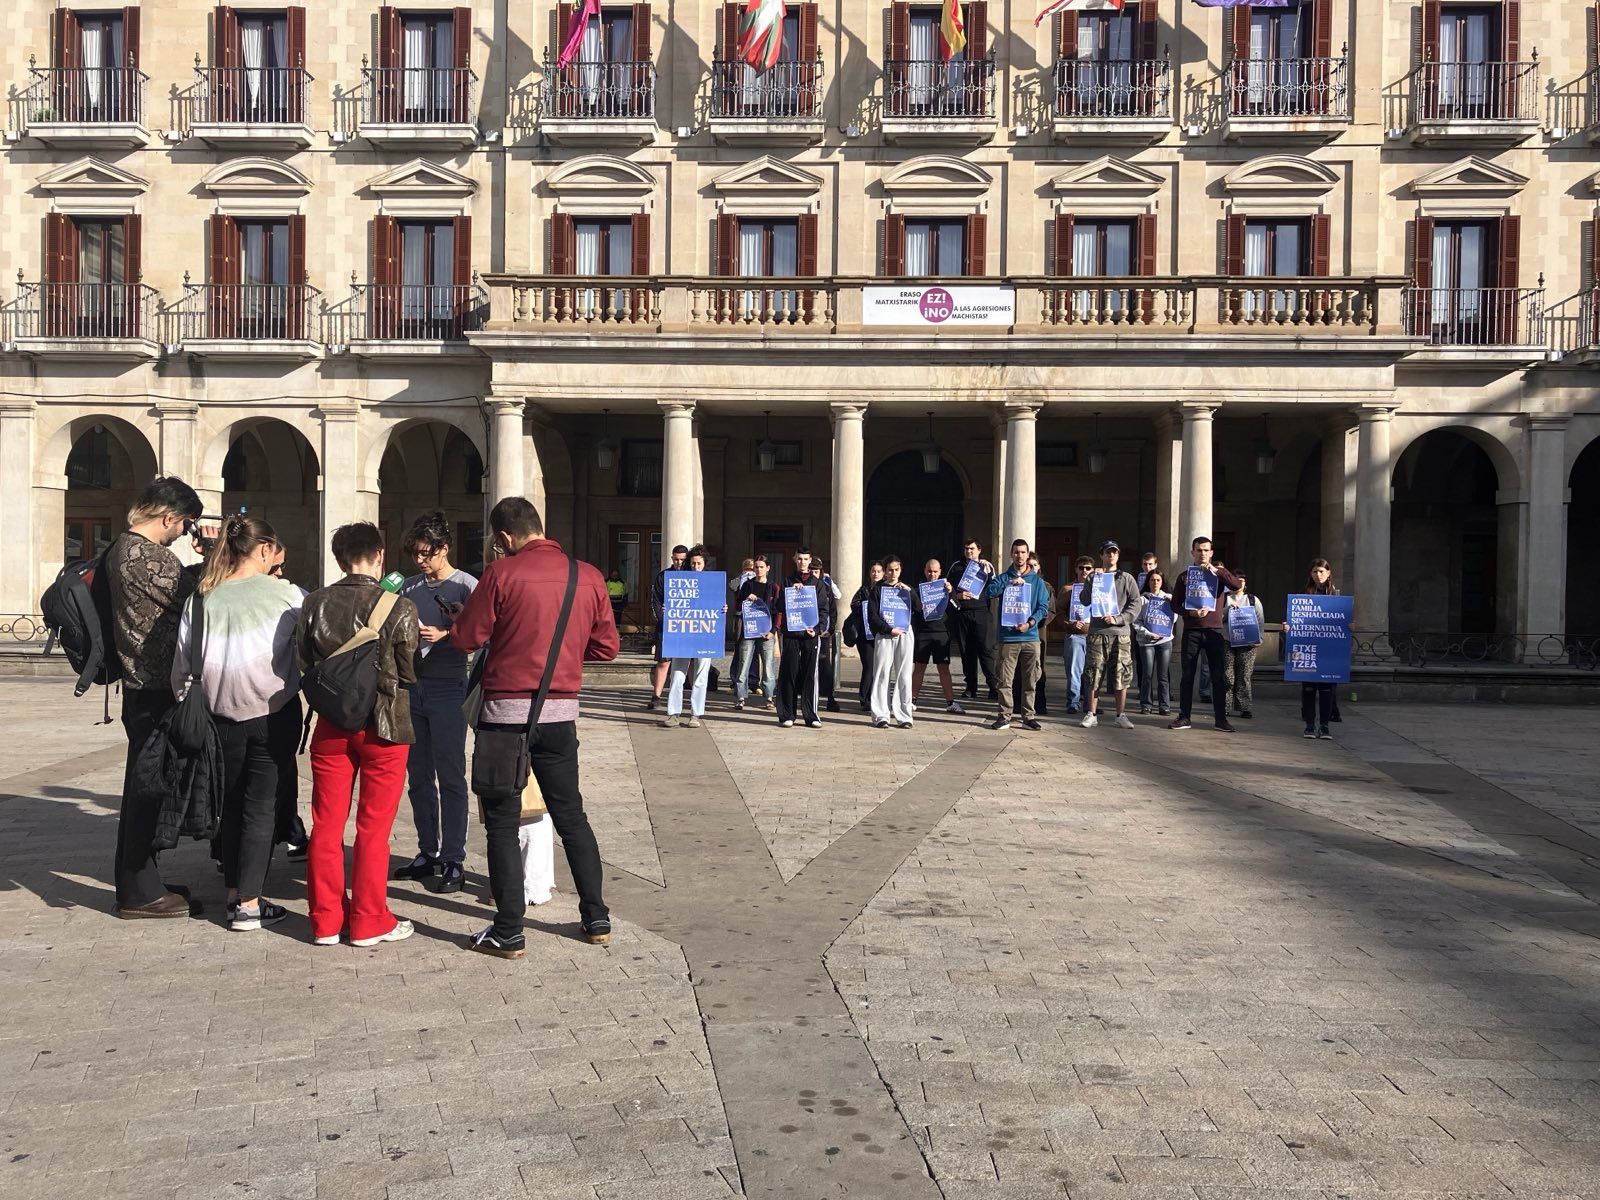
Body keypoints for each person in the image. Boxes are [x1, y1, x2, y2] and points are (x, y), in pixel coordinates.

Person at [449, 497, 620, 955]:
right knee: (571, 817)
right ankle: (596, 917)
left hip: (504, 717)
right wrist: (564, 652)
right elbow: (607, 648)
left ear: (505, 537)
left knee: (502, 825)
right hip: (560, 716)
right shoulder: (587, 575)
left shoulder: (501, 574)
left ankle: (509, 930)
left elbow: (467, 638)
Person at [171, 516, 303, 932]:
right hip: (273, 713)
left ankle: (233, 894)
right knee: (260, 806)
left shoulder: (201, 598)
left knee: (228, 806)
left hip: (217, 717)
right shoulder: (287, 594)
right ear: (264, 549)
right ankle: (248, 904)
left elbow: (181, 667)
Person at [299, 522, 421, 947]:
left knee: (326, 824)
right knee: (373, 828)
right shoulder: (400, 606)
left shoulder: (314, 602)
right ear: (380, 554)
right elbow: (409, 671)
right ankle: (370, 920)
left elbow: (304, 663)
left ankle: (326, 921)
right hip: (384, 726)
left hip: (332, 725)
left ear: (338, 558)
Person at [105, 476, 204, 919]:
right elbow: (200, 597)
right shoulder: (147, 556)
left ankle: (141, 880)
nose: (183, 533)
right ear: (168, 517)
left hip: (140, 688)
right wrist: (214, 556)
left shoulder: (121, 548)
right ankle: (139, 892)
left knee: (143, 785)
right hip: (155, 689)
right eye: (184, 524)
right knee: (148, 788)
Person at [393, 512, 477, 895]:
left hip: (448, 686)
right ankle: (428, 851)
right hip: (413, 686)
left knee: (451, 774)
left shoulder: (467, 586)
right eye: (415, 554)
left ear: (445, 549)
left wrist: (448, 633)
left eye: (427, 553)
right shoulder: (408, 586)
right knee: (418, 775)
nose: (420, 560)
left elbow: (484, 636)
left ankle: (454, 857)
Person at [1170, 536, 1243, 733]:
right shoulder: (1184, 576)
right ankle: (1184, 716)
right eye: (1199, 550)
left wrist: (1217, 571)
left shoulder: (1218, 575)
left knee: (1218, 676)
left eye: (1206, 550)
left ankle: (1221, 719)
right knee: (1187, 675)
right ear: (1192, 552)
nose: (1202, 553)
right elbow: (1174, 604)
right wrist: (1189, 613)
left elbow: (1236, 585)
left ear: (1211, 553)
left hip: (1214, 631)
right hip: (1192, 630)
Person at [983, 539, 1051, 732]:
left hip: (1030, 638)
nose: (1019, 555)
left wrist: (1030, 623)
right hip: (1008, 638)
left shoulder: (1036, 581)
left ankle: (1028, 717)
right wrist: (1008, 585)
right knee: (1005, 680)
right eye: (1016, 552)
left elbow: (1043, 607)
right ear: (1011, 554)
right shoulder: (1004, 577)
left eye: (1023, 552)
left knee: (1030, 680)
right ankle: (1004, 716)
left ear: (1027, 555)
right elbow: (989, 592)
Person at [1078, 540, 1141, 731]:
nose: (1111, 555)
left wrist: (1119, 619)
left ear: (1118, 555)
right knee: (1093, 672)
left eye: (1114, 552)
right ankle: (1091, 713)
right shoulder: (1094, 577)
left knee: (1122, 673)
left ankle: (1121, 714)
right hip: (1097, 632)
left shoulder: (1127, 578)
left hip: (1120, 633)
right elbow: (1084, 600)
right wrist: (1092, 580)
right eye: (1107, 552)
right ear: (1102, 555)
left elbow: (1135, 603)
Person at [663, 545, 722, 728]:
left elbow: (716, 604)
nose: (696, 567)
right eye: (693, 563)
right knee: (677, 675)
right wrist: (667, 609)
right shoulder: (680, 580)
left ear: (705, 564)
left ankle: (695, 714)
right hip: (683, 633)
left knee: (701, 676)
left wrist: (722, 608)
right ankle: (673, 713)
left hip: (704, 633)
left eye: (699, 563)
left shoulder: (712, 582)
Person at [775, 547, 832, 729]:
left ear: (810, 560)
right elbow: (778, 606)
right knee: (789, 672)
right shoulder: (787, 580)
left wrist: (818, 629)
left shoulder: (818, 584)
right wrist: (789, 592)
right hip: (792, 634)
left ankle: (811, 715)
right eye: (799, 559)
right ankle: (787, 714)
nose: (802, 562)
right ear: (795, 559)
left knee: (810, 674)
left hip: (810, 635)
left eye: (805, 559)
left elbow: (824, 610)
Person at [868, 555, 916, 728]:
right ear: (885, 571)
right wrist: (888, 629)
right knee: (881, 674)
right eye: (890, 570)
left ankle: (904, 716)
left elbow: (919, 608)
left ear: (900, 570)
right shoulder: (877, 590)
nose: (893, 573)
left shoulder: (906, 589)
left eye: (896, 570)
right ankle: (881, 715)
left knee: (904, 675)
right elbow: (872, 616)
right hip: (885, 634)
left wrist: (910, 592)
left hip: (904, 633)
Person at [948, 538, 998, 702]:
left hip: (982, 613)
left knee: (986, 650)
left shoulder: (986, 566)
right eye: (966, 548)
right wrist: (958, 595)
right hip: (963, 614)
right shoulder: (956, 566)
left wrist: (988, 571)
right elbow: (947, 588)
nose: (969, 551)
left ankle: (993, 687)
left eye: (972, 549)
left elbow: (995, 588)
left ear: (979, 550)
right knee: (966, 651)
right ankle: (971, 687)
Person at [1296, 558, 1341, 740]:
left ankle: (1324, 726)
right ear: (1310, 574)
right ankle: (1309, 725)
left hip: (1328, 648)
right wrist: (1289, 625)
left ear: (1328, 573)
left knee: (1326, 690)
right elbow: (1297, 618)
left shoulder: (1336, 595)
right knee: (1308, 688)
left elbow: (1341, 618)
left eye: (1322, 571)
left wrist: (1349, 625)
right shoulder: (1304, 595)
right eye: (1315, 571)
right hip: (1308, 646)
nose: (1318, 575)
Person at [911, 558, 962, 715]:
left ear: (940, 572)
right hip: (924, 633)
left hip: (941, 633)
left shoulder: (947, 589)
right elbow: (912, 611)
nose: (932, 574)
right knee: (919, 668)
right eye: (929, 571)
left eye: (935, 571)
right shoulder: (918, 590)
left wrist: (951, 592)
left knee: (943, 668)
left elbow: (957, 607)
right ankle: (911, 701)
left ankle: (951, 702)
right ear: (924, 571)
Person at [732, 554, 780, 711]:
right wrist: (746, 598)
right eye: (756, 567)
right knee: (743, 664)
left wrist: (773, 631)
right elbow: (738, 605)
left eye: (761, 567)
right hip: (749, 631)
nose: (758, 570)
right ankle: (740, 697)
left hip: (766, 632)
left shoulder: (774, 587)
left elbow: (778, 611)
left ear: (768, 568)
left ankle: (769, 697)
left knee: (768, 666)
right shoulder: (747, 585)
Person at [646, 544, 688, 710]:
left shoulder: (693, 576)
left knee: (690, 662)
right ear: (672, 559)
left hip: (688, 626)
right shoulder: (663, 576)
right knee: (664, 661)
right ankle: (656, 696)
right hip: (667, 626)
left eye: (682, 560)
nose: (679, 563)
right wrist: (662, 618)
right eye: (676, 559)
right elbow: (655, 600)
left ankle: (691, 697)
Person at [1223, 571, 1266, 721]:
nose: (1239, 583)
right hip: (1227, 640)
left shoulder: (1253, 600)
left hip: (1248, 642)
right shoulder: (1223, 599)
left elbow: (1260, 620)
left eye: (1241, 580)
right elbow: (1216, 617)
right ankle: (1225, 706)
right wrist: (1228, 610)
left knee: (1244, 675)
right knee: (1227, 675)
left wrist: (1260, 638)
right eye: (1236, 580)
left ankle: (1245, 707)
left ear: (1245, 584)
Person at [1134, 569, 1174, 716]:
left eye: (1158, 580)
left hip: (1165, 641)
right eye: (1152, 580)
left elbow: (1173, 619)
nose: (1155, 583)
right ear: (1148, 582)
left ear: (1162, 582)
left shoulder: (1168, 598)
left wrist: (1172, 605)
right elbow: (1136, 621)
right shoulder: (1142, 600)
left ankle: (1164, 705)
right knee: (1147, 674)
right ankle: (1146, 704)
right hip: (1147, 642)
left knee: (1163, 676)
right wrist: (1148, 634)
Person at [1059, 557, 1094, 715]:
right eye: (1081, 568)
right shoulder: (1068, 589)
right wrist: (1069, 623)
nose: (1084, 571)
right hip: (1074, 635)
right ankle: (1073, 702)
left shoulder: (1098, 588)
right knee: (1074, 670)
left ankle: (1090, 704)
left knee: (1092, 671)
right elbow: (1058, 612)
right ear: (1076, 569)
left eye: (1088, 568)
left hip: (1093, 634)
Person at [848, 562, 884, 711]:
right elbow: (853, 605)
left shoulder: (886, 589)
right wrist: (866, 605)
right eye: (873, 571)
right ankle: (865, 699)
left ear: (883, 573)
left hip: (881, 633)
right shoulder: (864, 590)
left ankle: (876, 697)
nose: (876, 574)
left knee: (879, 667)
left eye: (879, 571)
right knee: (869, 665)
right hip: (865, 634)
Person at [814, 557, 845, 713]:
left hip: (823, 633)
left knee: (825, 666)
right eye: (811, 571)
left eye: (816, 571)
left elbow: (833, 610)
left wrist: (831, 629)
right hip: (806, 633)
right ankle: (807, 696)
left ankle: (830, 697)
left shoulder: (826, 587)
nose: (814, 574)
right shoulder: (802, 587)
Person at [1027, 552, 1052, 717]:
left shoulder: (1046, 586)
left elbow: (1051, 610)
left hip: (1039, 632)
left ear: (1039, 567)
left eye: (1034, 565)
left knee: (1039, 667)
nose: (1032, 568)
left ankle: (1040, 703)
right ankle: (1018, 702)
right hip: (1020, 632)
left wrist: (1038, 621)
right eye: (1029, 565)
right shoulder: (1018, 583)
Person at [1133, 551, 1160, 695]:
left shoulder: (1160, 578)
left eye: (1150, 564)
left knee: (1162, 664)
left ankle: (1165, 693)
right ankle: (1142, 690)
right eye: (1145, 564)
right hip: (1142, 625)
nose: (1148, 567)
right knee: (1141, 661)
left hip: (1160, 626)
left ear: (1155, 564)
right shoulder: (1138, 580)